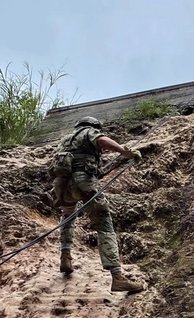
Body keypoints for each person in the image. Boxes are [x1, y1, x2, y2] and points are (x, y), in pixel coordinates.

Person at [50, 116, 145, 293]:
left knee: (68, 216)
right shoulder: (89, 132)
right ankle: (117, 277)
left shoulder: (65, 140)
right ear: (93, 126)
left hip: (62, 186)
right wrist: (124, 152)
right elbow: (102, 141)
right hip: (83, 183)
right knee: (104, 224)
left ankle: (65, 256)